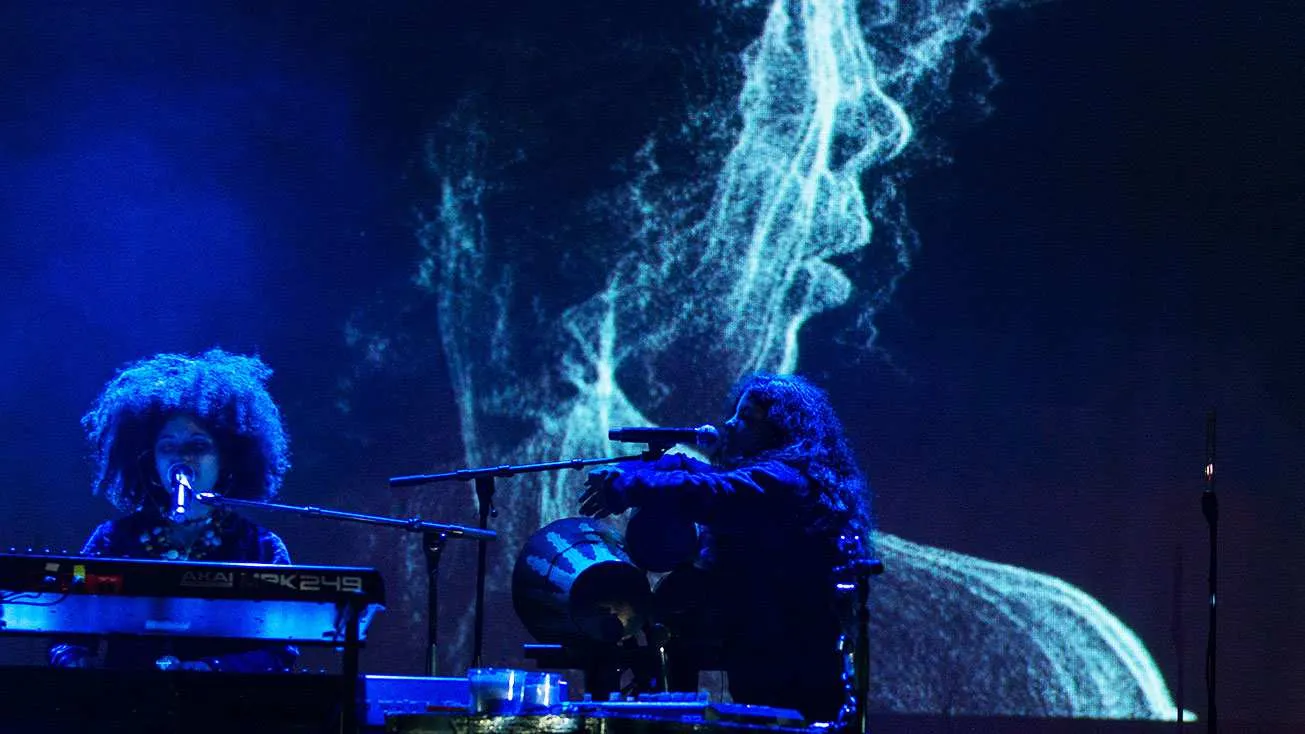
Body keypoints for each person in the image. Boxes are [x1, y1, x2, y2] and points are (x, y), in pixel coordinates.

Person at [579, 372, 874, 723]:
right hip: (770, 653)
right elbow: (718, 483)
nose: (730, 425)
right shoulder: (794, 478)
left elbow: (719, 493)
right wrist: (676, 464)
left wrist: (630, 486)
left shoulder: (788, 482)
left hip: (791, 665)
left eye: (746, 419)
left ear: (780, 430)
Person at [49, 348, 298, 673]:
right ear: (150, 461)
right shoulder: (113, 540)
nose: (182, 458)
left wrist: (210, 669)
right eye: (168, 447)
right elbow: (67, 624)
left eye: (197, 446)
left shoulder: (261, 547)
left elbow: (281, 650)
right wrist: (72, 659)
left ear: (227, 458)